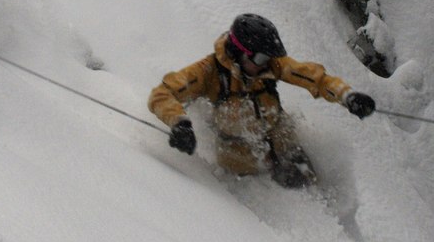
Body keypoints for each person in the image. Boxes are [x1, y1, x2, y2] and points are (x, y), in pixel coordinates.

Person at [148, 14, 375, 188]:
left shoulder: (270, 65)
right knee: (278, 199)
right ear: (239, 52)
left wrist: (347, 96)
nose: (267, 64)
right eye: (260, 58)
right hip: (242, 161)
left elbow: (314, 78)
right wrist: (179, 123)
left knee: (309, 186)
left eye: (269, 58)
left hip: (282, 143)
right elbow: (162, 94)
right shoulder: (208, 72)